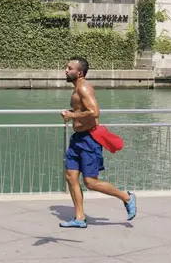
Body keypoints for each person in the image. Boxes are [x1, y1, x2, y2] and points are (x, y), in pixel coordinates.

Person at [59, 56, 136, 228]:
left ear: (79, 73)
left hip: (89, 140)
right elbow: (83, 110)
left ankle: (127, 198)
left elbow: (94, 112)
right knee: (71, 177)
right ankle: (79, 218)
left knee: (90, 182)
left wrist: (72, 115)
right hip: (77, 139)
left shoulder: (84, 88)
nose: (65, 70)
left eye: (69, 68)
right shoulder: (77, 88)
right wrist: (72, 112)